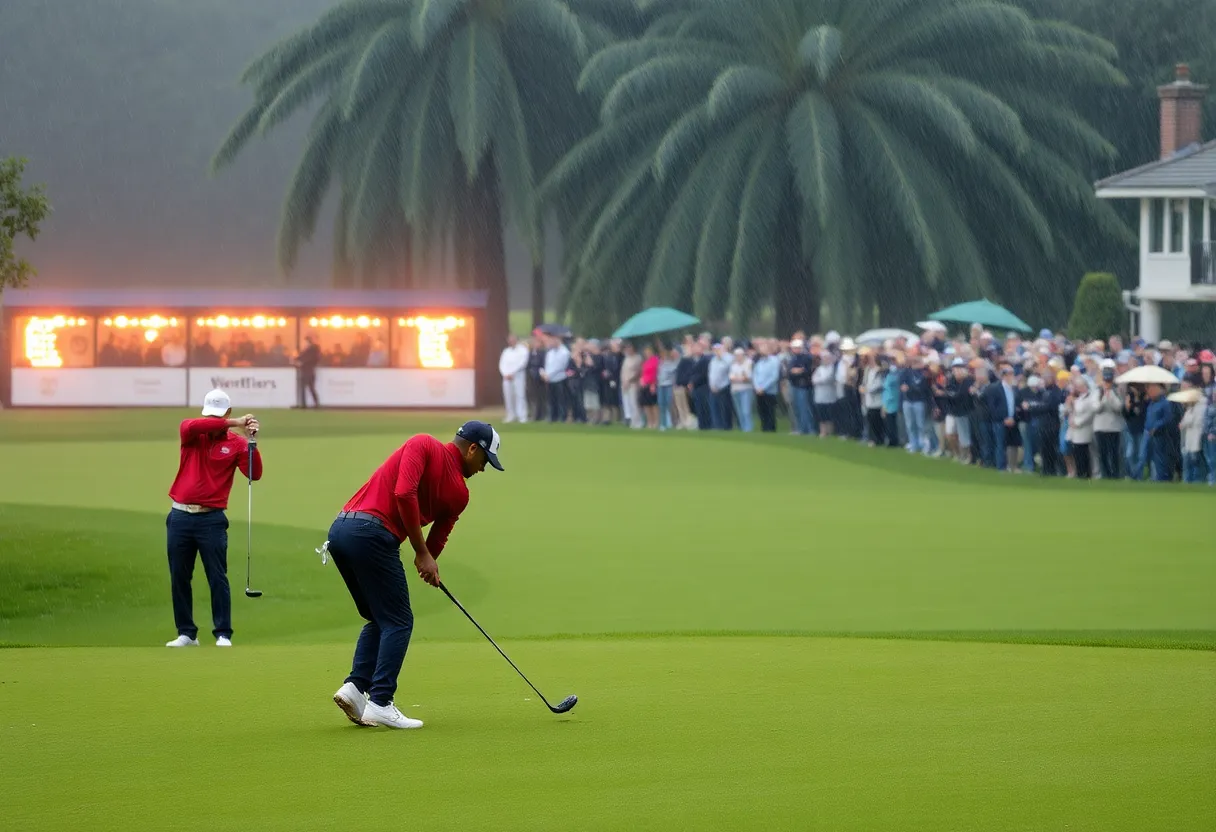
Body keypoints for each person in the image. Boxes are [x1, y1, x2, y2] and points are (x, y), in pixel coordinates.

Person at [327, 420, 503, 729]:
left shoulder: (460, 495)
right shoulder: (424, 444)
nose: (483, 469)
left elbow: (437, 540)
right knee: (398, 621)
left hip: (341, 532)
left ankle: (355, 689)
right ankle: (381, 702)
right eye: (484, 460)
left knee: (380, 617)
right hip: (371, 533)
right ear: (473, 448)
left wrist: (429, 561)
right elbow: (404, 493)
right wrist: (422, 554)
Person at [165, 389, 262, 648]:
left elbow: (255, 473)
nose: (213, 420)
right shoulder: (191, 433)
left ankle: (222, 633)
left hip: (211, 520)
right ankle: (186, 633)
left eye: (219, 416)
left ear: (227, 412)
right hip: (180, 516)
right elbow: (194, 424)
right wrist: (237, 422)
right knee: (179, 576)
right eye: (210, 415)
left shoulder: (237, 444)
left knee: (217, 576)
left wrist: (251, 441)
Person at [498, 334, 530, 424]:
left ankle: (522, 416)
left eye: (513, 339)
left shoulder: (523, 350)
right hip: (506, 377)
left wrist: (512, 373)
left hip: (518, 376)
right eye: (510, 340)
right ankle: (511, 415)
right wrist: (505, 373)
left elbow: (522, 363)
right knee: (508, 396)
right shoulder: (506, 351)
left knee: (520, 395)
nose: (511, 341)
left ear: (517, 340)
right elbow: (502, 364)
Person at [295, 334, 321, 408]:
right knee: (305, 387)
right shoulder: (306, 350)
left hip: (309, 371)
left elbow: (311, 359)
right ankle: (304, 404)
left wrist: (301, 362)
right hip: (305, 371)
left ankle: (315, 404)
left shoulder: (313, 349)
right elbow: (300, 358)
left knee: (310, 387)